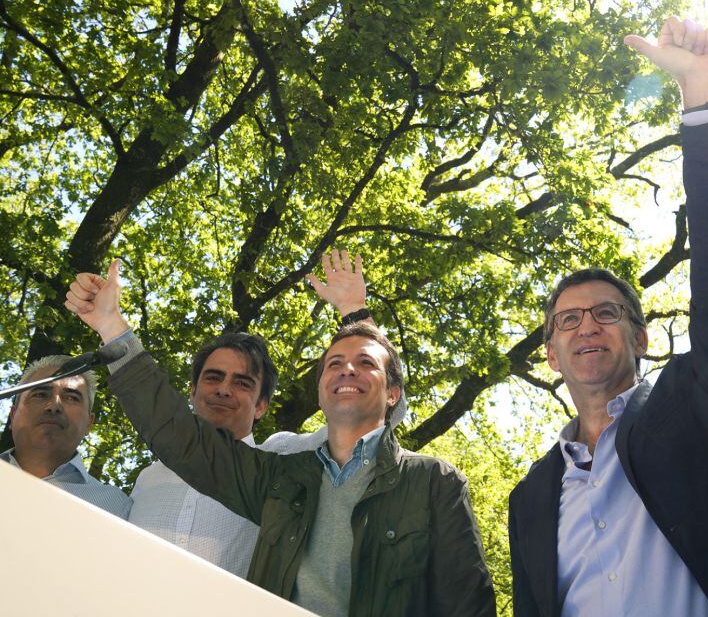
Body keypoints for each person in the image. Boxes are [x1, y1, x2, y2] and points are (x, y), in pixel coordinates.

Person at [508, 18, 708, 617]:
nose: (586, 328)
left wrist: (701, 98)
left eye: (606, 313)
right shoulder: (531, 497)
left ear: (642, 336)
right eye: (567, 321)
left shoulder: (700, 401)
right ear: (550, 355)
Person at [65, 258, 496, 617]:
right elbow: (180, 436)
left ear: (393, 392)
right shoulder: (278, 477)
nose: (346, 369)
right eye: (333, 363)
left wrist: (355, 312)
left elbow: (467, 604)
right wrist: (111, 327)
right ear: (321, 390)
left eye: (365, 363)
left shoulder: (434, 482)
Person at [127, 250, 364, 577]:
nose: (224, 389)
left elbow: (368, 427)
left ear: (261, 405)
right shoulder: (148, 477)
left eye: (242, 382)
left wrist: (354, 313)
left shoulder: (281, 463)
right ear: (192, 392)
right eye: (213, 377)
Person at [2, 356, 131, 518]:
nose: (54, 406)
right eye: (40, 394)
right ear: (13, 416)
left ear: (88, 424)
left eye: (71, 397)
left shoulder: (117, 508)